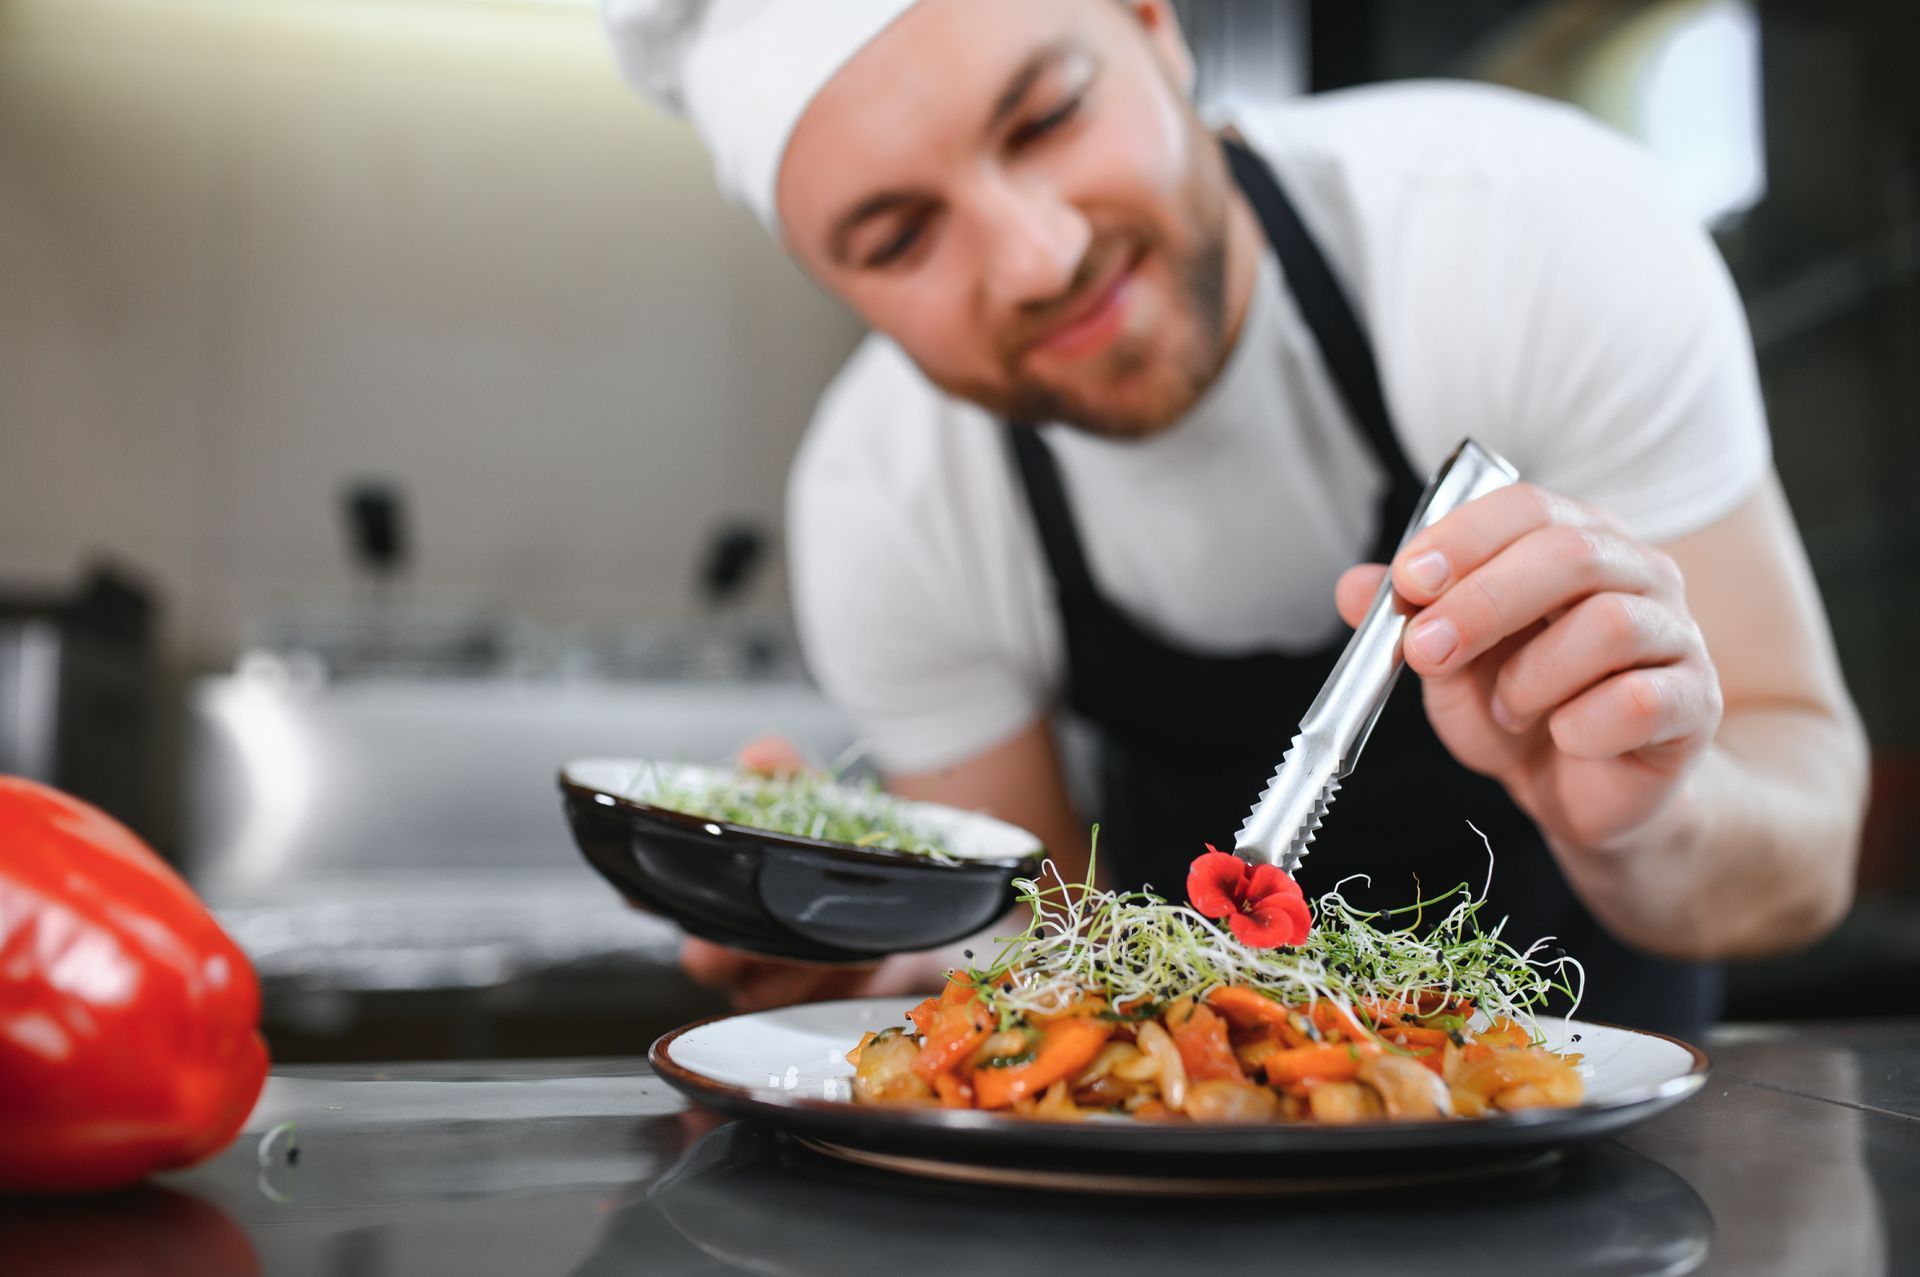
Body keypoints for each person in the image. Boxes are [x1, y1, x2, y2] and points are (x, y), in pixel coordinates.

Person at [601, 0, 1867, 1035]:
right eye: (899, 236)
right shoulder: (886, 499)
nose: (1036, 258)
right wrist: (876, 946)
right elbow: (1049, 956)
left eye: (1047, 117)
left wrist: (1656, 819)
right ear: (843, 289)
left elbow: (1808, 858)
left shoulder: (1533, 236)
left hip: (1600, 1141)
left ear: (1155, 26)